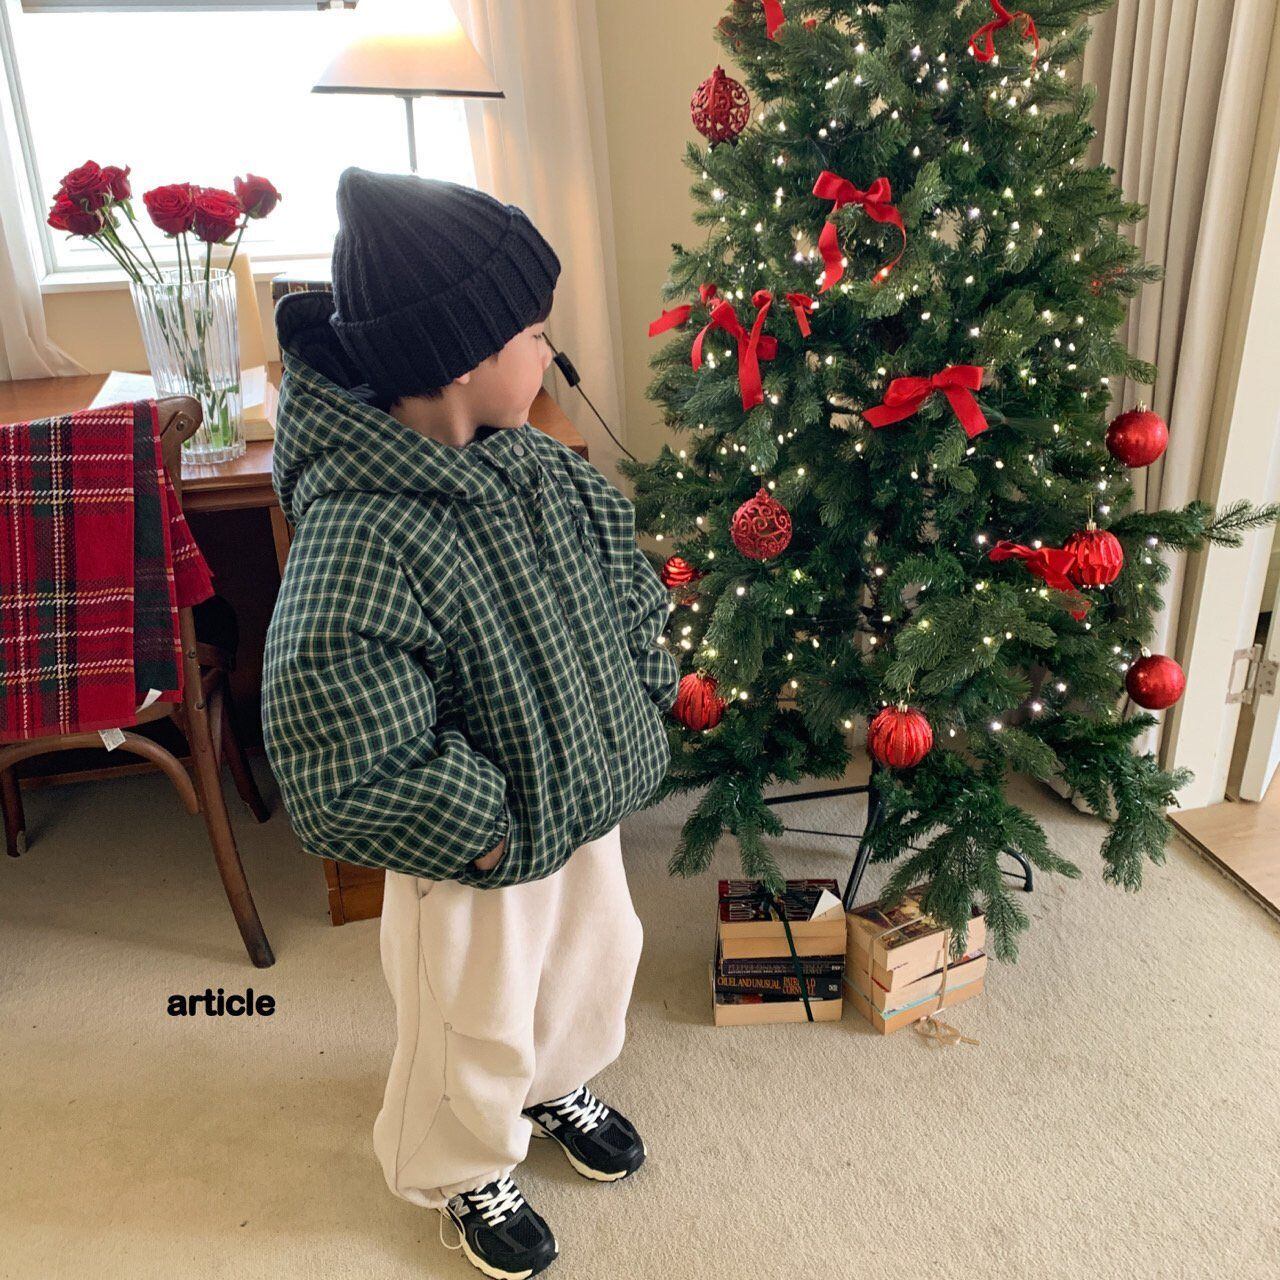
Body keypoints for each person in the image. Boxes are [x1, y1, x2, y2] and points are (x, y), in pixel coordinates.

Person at [260, 167, 680, 1279]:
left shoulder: (546, 470)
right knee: (469, 1020)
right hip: (474, 856)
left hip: (581, 807)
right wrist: (484, 830)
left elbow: (633, 596)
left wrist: (637, 706)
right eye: (534, 333)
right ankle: (457, 1164)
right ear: (461, 355)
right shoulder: (362, 533)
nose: (551, 352)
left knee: (593, 962)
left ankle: (556, 1080)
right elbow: (341, 739)